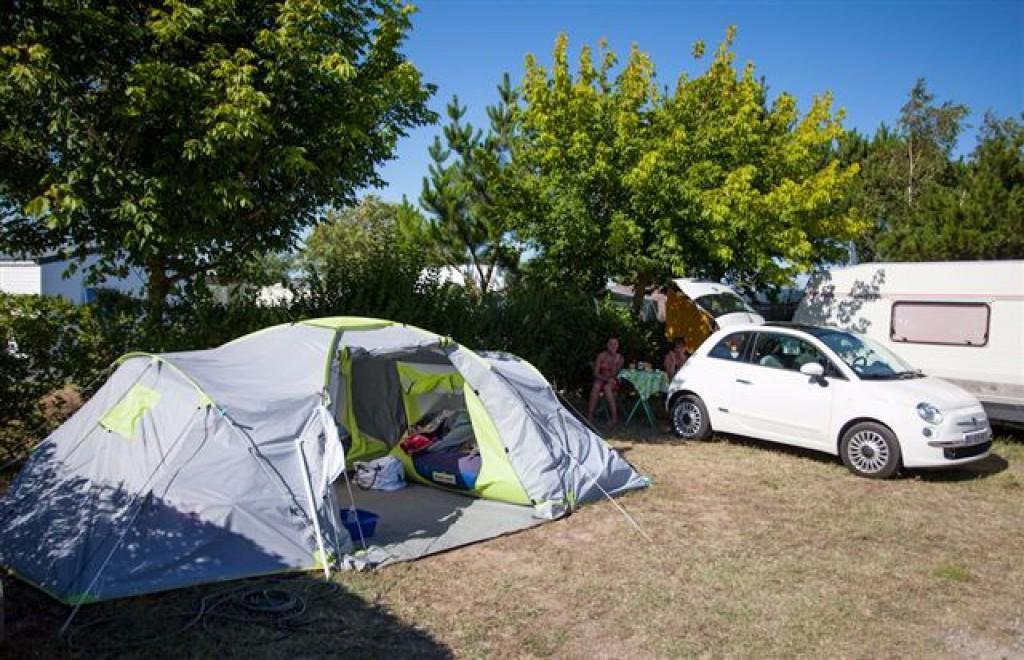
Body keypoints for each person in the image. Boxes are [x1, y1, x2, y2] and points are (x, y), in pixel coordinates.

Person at [587, 337, 624, 425]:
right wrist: (606, 378)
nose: (613, 346)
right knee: (596, 386)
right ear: (607, 345)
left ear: (618, 346)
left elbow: (617, 374)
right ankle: (590, 415)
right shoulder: (601, 356)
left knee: (607, 388)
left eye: (615, 344)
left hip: (614, 380)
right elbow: (596, 373)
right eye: (611, 344)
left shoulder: (620, 358)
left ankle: (614, 417)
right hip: (602, 377)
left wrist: (611, 376)